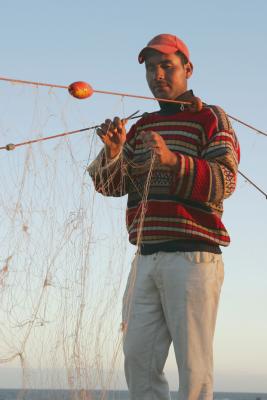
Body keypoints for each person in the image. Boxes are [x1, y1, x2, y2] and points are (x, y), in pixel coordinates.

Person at [88, 34, 240, 400]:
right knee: (138, 360)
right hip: (145, 257)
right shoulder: (140, 127)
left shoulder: (211, 117)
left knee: (194, 369)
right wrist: (112, 152)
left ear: (187, 69)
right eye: (151, 68)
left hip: (193, 256)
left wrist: (173, 161)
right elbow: (111, 186)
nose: (158, 74)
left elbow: (225, 180)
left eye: (167, 66)